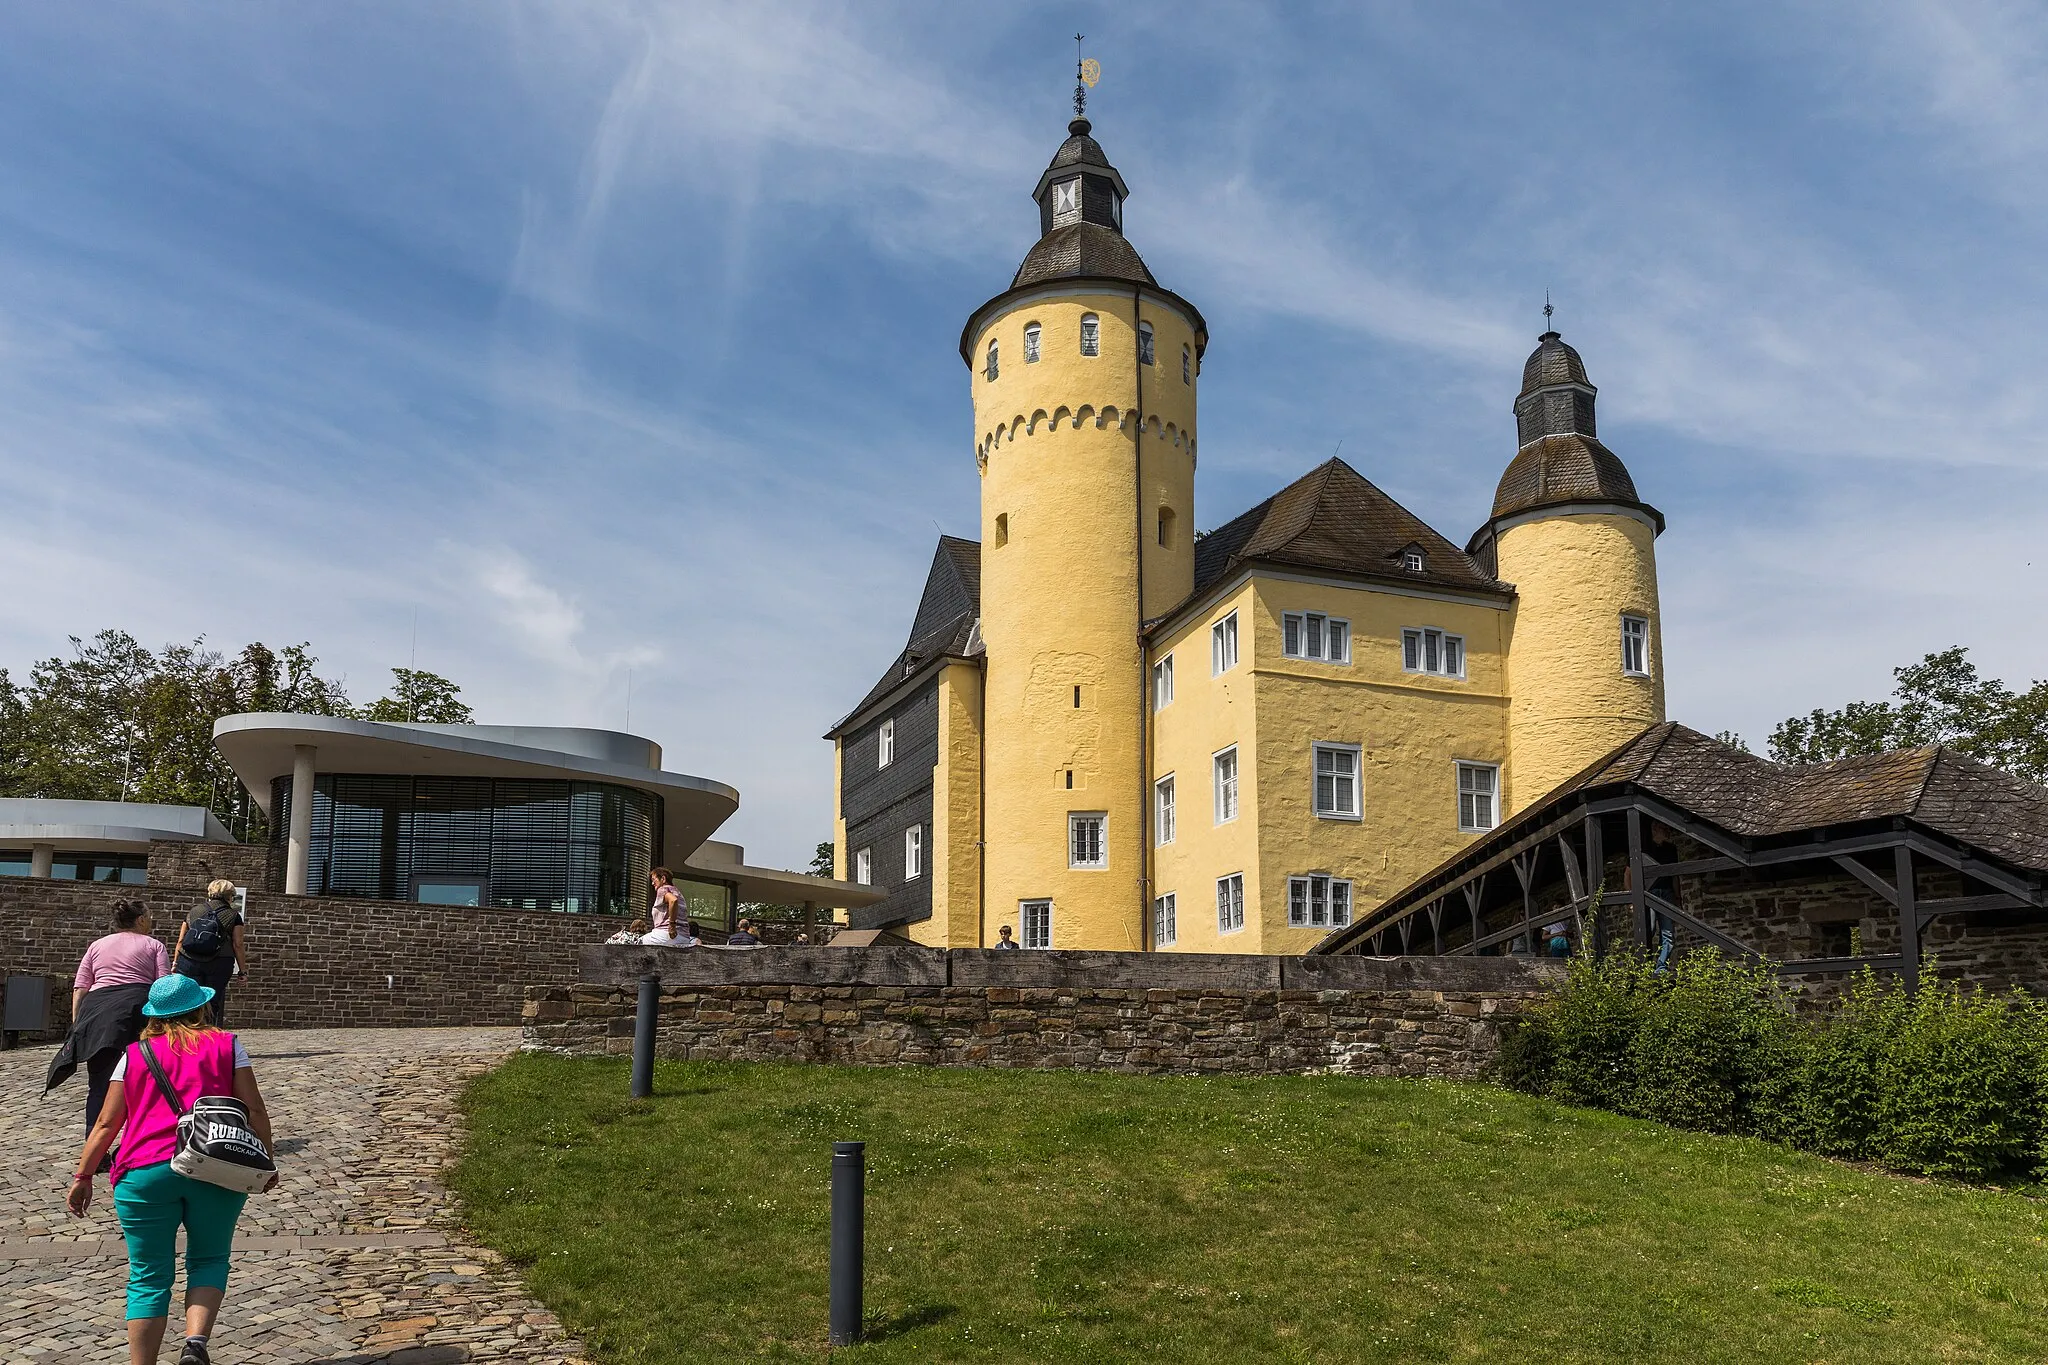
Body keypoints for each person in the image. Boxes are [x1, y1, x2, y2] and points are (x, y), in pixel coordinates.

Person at [67, 973, 278, 1365]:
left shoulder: (134, 1054)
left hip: (144, 1172)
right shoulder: (228, 1046)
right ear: (201, 1007)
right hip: (215, 1166)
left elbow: (106, 1124)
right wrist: (265, 1161)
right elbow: (256, 1109)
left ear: (156, 1017)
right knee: (210, 1259)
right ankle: (195, 1344)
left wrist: (83, 1176)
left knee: (148, 1276)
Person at [46, 900, 171, 1139]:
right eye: (150, 916)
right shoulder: (154, 945)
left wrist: (78, 1025)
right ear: (141, 920)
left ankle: (94, 1144)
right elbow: (162, 987)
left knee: (99, 1085)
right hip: (137, 1012)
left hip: (98, 1015)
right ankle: (135, 1145)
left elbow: (80, 987)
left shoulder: (97, 945)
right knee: (142, 1084)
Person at [171, 881, 246, 1025]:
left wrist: (175, 964)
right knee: (212, 1003)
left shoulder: (194, 912)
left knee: (190, 1001)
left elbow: (180, 941)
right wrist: (243, 971)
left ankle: (188, 1036)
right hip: (219, 963)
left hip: (189, 961)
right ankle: (207, 1037)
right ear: (230, 896)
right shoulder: (233, 915)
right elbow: (238, 944)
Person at [645, 868, 685, 943]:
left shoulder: (663, 889)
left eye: (654, 880)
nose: (652, 883)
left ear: (663, 879)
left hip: (666, 935)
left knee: (635, 942)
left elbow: (673, 900)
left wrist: (672, 925)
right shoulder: (678, 893)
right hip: (684, 937)